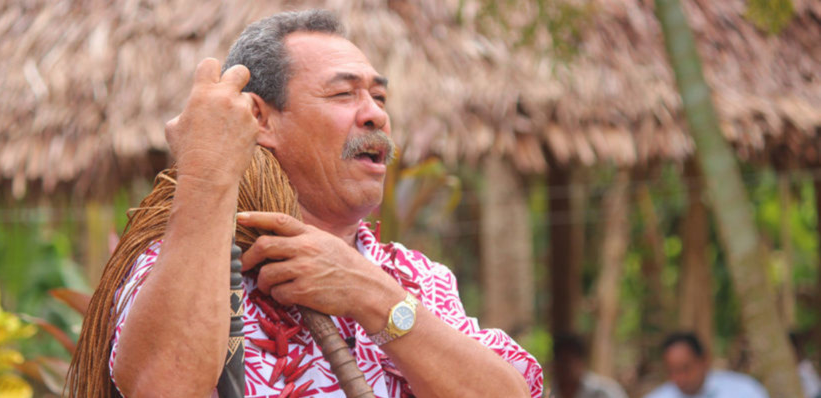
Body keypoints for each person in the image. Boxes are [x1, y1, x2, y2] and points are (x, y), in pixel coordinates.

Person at [67, 9, 542, 398]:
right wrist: (208, 170)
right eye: (343, 94)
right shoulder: (177, 264)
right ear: (259, 119)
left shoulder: (415, 279)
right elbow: (161, 387)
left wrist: (369, 293)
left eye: (378, 96)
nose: (376, 113)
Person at [644, 332, 768, 398]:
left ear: (704, 360)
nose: (680, 378)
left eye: (685, 369)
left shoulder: (744, 391)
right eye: (672, 371)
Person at [551, 333, 628, 398]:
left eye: (567, 362)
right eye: (560, 361)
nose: (563, 368)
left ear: (581, 362)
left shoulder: (605, 392)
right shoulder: (549, 393)